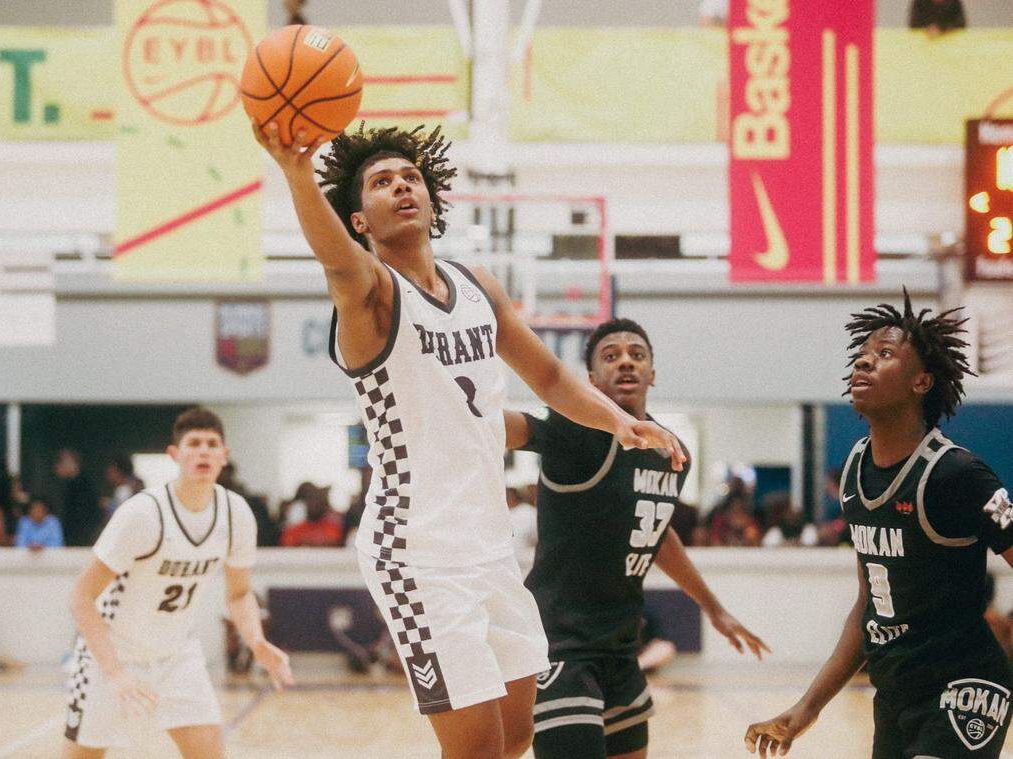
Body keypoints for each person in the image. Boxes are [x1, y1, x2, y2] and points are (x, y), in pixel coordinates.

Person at [252, 121, 684, 759]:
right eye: (380, 182)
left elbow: (549, 374)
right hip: (415, 549)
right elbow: (334, 258)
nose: (402, 186)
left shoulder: (477, 286)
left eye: (411, 177)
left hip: (488, 547)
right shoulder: (368, 294)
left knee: (514, 737)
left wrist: (615, 420)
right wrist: (295, 172)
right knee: (476, 748)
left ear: (431, 199)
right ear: (358, 220)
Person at [746, 292, 1013, 758]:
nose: (864, 363)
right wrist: (807, 708)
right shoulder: (853, 471)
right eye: (861, 356)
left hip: (964, 685)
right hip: (894, 692)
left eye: (884, 354)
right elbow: (868, 606)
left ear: (922, 382)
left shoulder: (956, 474)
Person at [506, 317, 767, 759]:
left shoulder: (668, 450)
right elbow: (517, 426)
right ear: (590, 379)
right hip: (561, 644)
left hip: (622, 647)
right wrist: (462, 411)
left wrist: (715, 609)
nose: (625, 362)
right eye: (611, 356)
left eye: (636, 354)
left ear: (652, 373)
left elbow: (657, 533)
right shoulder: (576, 431)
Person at [63, 407, 292, 758]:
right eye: (194, 443)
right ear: (175, 454)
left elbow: (240, 593)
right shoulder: (143, 514)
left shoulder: (236, 514)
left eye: (212, 444)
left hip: (176, 654)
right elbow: (81, 596)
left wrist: (256, 641)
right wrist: (116, 672)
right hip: (110, 655)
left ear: (223, 456)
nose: (203, 451)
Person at [55, 449, 103, 547]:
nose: (59, 466)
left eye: (62, 461)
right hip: (72, 537)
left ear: (73, 461)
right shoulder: (68, 485)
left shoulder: (85, 485)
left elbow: (88, 515)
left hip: (82, 538)